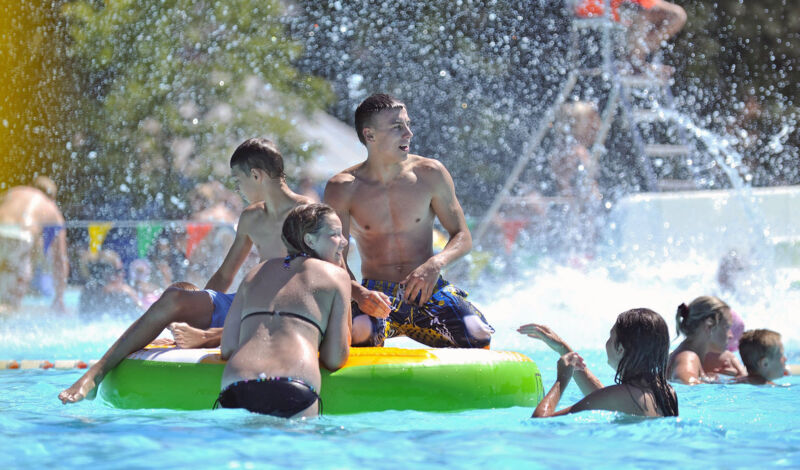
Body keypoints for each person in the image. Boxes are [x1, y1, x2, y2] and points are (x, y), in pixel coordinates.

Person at [59, 138, 314, 404]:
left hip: (284, 312)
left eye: (238, 181)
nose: (237, 189)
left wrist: (205, 334)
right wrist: (198, 310)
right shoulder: (252, 217)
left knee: (266, 310)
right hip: (247, 305)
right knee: (178, 293)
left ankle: (206, 338)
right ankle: (96, 373)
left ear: (256, 175)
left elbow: (326, 277)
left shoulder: (309, 215)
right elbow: (226, 275)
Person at [324, 93, 494, 348]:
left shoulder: (430, 173)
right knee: (360, 333)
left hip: (428, 287)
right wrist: (358, 293)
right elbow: (331, 255)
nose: (409, 133)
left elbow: (462, 235)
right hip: (376, 293)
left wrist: (435, 264)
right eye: (397, 127)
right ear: (370, 135)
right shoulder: (343, 187)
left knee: (478, 334)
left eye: (407, 124)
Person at [218, 203, 351, 418]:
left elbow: (228, 347)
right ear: (310, 240)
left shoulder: (254, 273)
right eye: (335, 234)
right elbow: (335, 357)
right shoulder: (336, 276)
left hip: (237, 385)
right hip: (293, 386)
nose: (344, 241)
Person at [519, 308, 678, 417]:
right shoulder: (667, 392)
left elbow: (540, 423)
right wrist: (563, 348)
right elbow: (605, 398)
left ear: (620, 349)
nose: (606, 343)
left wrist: (562, 379)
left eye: (611, 337)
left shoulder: (620, 395)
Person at [0, 182, 68, 313]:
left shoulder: (15, 192)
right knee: (8, 302)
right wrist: (59, 297)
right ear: (53, 197)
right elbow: (60, 259)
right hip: (18, 236)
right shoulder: (51, 208)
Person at [574, 0, 687, 73]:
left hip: (632, 6)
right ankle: (635, 62)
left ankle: (637, 56)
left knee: (677, 16)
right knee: (642, 15)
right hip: (601, 6)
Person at [667, 296, 733, 384]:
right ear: (709, 325)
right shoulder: (688, 357)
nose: (730, 335)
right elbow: (686, 382)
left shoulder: (683, 354)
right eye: (726, 327)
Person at [78, 249, 142, 317]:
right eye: (119, 271)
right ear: (106, 273)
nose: (123, 274)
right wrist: (132, 295)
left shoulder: (89, 290)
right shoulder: (121, 294)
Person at [703, 308, 747, 377]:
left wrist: (735, 375)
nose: (730, 336)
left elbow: (744, 375)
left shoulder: (730, 356)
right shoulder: (699, 354)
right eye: (726, 328)